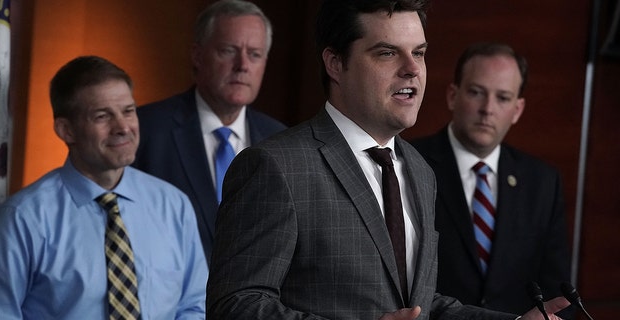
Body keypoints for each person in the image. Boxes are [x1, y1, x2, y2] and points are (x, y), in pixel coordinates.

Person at [206, 0, 570, 319]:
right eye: (387, 52)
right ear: (335, 63)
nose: (411, 68)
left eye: (420, 53)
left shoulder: (420, 170)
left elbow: (422, 307)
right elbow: (235, 304)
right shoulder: (275, 166)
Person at [0, 56, 208, 319]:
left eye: (128, 111)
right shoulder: (22, 219)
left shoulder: (173, 206)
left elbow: (195, 304)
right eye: (102, 116)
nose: (122, 127)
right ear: (67, 131)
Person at [410, 42, 572, 316]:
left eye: (503, 98)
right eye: (476, 93)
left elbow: (557, 293)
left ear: (517, 110)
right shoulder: (410, 162)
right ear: (452, 96)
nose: (488, 109)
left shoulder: (542, 182)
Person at [133, 0, 287, 264]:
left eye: (255, 54)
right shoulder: (145, 130)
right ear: (197, 55)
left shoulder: (282, 141)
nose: (242, 65)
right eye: (228, 51)